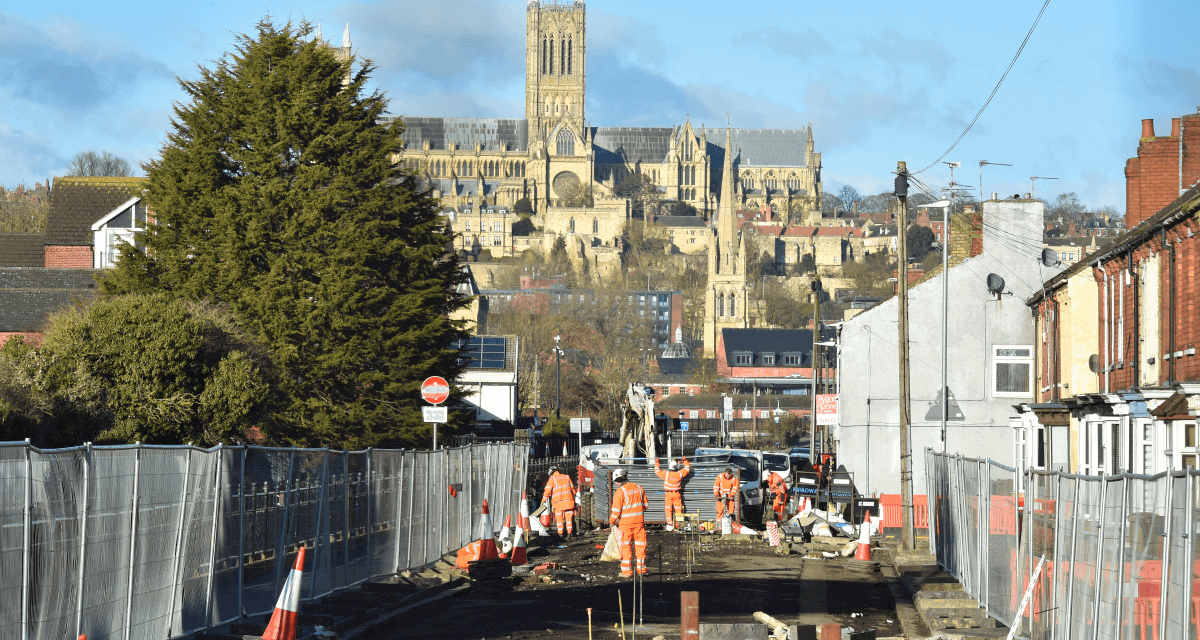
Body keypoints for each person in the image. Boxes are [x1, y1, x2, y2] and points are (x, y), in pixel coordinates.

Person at [609, 468, 649, 577]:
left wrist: (611, 522)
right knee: (640, 546)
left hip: (625, 525)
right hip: (639, 523)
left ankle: (627, 572)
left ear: (617, 481)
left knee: (625, 547)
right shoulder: (638, 488)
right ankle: (641, 570)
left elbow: (616, 512)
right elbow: (645, 505)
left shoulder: (620, 492)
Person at [654, 457, 691, 531]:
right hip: (677, 493)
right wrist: (685, 460)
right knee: (678, 508)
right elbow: (687, 469)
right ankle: (679, 523)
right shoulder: (679, 474)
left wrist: (657, 462)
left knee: (668, 509)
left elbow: (657, 471)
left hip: (668, 494)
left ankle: (670, 524)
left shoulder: (666, 474)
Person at [541, 465, 577, 536]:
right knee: (569, 518)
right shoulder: (567, 477)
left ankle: (560, 534)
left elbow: (547, 490)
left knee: (559, 518)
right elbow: (573, 490)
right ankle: (569, 532)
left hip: (558, 502)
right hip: (569, 501)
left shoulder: (552, 479)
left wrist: (543, 500)